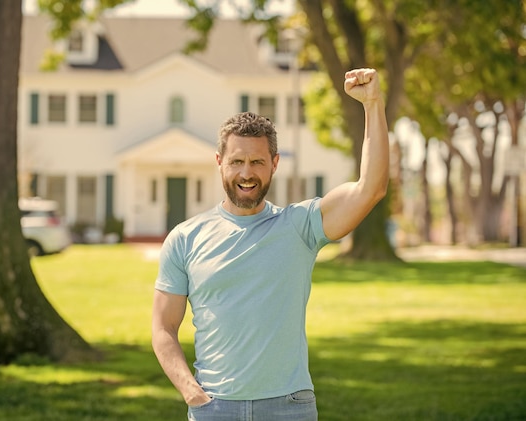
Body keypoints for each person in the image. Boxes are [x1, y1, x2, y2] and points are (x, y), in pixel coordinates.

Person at [152, 68, 389, 420]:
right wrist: (191, 391)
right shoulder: (185, 238)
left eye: (257, 162)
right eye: (237, 161)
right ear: (220, 163)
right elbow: (163, 327)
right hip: (215, 407)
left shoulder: (300, 226)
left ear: (274, 164)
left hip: (288, 408)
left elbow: (371, 188)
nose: (247, 173)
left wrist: (372, 105)